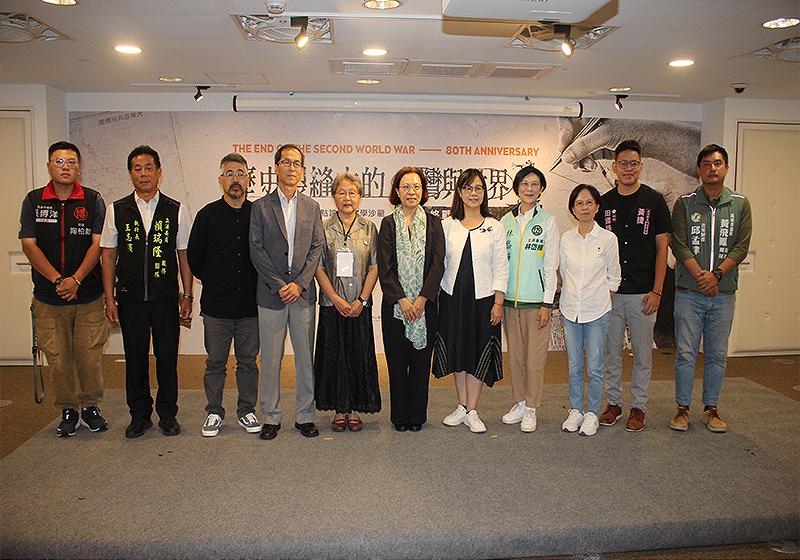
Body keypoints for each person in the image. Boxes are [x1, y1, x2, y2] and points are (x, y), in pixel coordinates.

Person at [101, 145, 194, 439]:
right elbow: (108, 256)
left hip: (165, 298)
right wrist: (109, 298)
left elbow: (184, 255)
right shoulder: (117, 209)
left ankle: (168, 414)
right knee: (135, 358)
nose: (143, 174)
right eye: (137, 168)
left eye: (149, 168)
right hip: (130, 299)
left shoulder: (175, 209)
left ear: (159, 172)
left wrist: (187, 295)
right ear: (130, 173)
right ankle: (139, 415)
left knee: (167, 358)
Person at [19, 141, 109, 437]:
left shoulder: (93, 200)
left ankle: (91, 406)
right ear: (49, 166)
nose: (65, 167)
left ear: (79, 167)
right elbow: (29, 244)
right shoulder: (34, 201)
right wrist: (58, 280)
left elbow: (98, 244)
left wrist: (77, 279)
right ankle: (68, 409)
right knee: (57, 359)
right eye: (59, 162)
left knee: (89, 356)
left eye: (71, 162)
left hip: (88, 295)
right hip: (49, 297)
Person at [669, 144, 752, 433]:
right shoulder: (685, 203)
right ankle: (682, 408)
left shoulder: (740, 204)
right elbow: (679, 244)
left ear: (726, 168)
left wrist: (716, 275)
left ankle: (711, 408)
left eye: (717, 163)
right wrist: (701, 277)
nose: (712, 168)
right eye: (706, 164)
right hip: (689, 293)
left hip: (723, 293)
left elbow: (741, 246)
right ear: (698, 170)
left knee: (717, 354)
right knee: (686, 353)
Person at [596, 140, 672, 432]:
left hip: (644, 293)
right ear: (614, 167)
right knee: (611, 353)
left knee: (642, 354)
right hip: (612, 294)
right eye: (623, 163)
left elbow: (662, 249)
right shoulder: (604, 204)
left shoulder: (654, 201)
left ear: (641, 167)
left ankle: (639, 406)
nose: (628, 169)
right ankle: (614, 403)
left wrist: (657, 291)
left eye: (633, 164)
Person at [249, 144, 324, 440]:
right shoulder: (260, 207)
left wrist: (300, 283)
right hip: (272, 295)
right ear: (276, 167)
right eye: (286, 162)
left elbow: (317, 247)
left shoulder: (311, 207)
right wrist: (280, 285)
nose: (291, 168)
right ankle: (270, 416)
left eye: (297, 163)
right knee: (270, 358)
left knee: (305, 359)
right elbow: (256, 249)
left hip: (303, 295)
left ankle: (305, 415)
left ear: (302, 170)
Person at [187, 153, 261, 437]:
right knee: (215, 362)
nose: (235, 179)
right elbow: (194, 258)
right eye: (229, 174)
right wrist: (215, 279)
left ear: (248, 180)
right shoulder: (207, 215)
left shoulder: (258, 214)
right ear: (220, 180)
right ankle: (214, 411)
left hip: (250, 306)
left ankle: (246, 409)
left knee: (248, 362)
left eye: (240, 174)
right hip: (217, 306)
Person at [434, 169, 507, 433]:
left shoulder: (495, 226)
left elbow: (501, 266)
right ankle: (462, 406)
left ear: (484, 193)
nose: (473, 193)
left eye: (478, 188)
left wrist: (498, 302)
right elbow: (438, 263)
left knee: (477, 351)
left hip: (483, 300)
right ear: (459, 192)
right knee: (458, 350)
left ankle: (473, 410)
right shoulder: (447, 225)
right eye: (468, 188)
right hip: (452, 299)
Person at [377, 166, 444, 432]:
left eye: (416, 186)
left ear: (423, 191)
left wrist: (422, 299)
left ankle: (416, 416)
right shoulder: (388, 224)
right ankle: (399, 417)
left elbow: (437, 265)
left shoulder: (434, 223)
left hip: (425, 307)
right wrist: (403, 300)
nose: (411, 191)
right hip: (396, 307)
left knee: (420, 363)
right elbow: (385, 267)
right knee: (396, 363)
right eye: (405, 186)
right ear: (397, 191)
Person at [314, 172, 381, 432]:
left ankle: (353, 409)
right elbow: (319, 267)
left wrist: (362, 300)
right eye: (342, 192)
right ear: (333, 197)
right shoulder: (323, 227)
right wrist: (335, 298)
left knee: (357, 356)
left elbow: (374, 266)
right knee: (334, 356)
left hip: (359, 305)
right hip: (332, 305)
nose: (347, 198)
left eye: (352, 193)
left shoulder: (369, 228)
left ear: (360, 197)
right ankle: (339, 410)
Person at [499, 165, 559, 433]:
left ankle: (532, 407)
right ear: (517, 188)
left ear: (541, 189)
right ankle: (520, 403)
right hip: (510, 302)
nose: (529, 189)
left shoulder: (548, 221)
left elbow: (551, 265)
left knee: (535, 359)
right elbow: (500, 262)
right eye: (524, 184)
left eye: (535, 184)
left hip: (537, 303)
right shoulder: (506, 221)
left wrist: (547, 303)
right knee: (515, 358)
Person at [559, 184, 621, 436]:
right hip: (570, 310)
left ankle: (593, 413)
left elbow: (614, 276)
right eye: (579, 203)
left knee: (595, 366)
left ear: (597, 207)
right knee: (574, 365)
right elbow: (563, 273)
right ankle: (576, 410)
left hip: (597, 312)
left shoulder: (608, 239)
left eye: (589, 203)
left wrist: (601, 298)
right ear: (572, 209)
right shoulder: (566, 238)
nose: (584, 207)